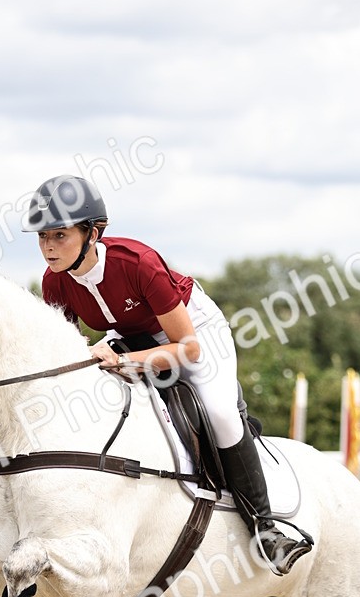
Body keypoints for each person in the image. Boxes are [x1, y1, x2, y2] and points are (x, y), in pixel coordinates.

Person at [21, 173, 313, 575]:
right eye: (42, 237)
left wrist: (126, 361)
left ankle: (265, 528)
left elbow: (187, 349)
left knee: (221, 412)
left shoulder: (137, 262)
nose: (48, 248)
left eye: (59, 235)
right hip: (133, 336)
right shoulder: (54, 283)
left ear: (93, 232)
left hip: (195, 334)